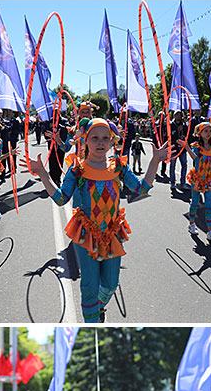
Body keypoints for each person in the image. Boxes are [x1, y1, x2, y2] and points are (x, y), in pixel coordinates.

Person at [23, 117, 168, 323]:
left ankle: (95, 308)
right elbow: (61, 198)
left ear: (111, 141)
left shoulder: (118, 166)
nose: (100, 143)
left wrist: (154, 160)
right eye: (95, 138)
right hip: (86, 235)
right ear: (86, 140)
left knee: (110, 284)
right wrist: (43, 175)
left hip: (112, 233)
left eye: (105, 138)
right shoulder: (77, 168)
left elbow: (141, 188)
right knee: (89, 284)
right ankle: (91, 323)